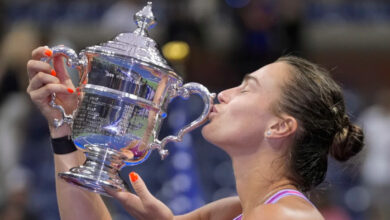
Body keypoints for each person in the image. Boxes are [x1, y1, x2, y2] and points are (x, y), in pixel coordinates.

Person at [26, 46, 364, 220]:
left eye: (247, 89)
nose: (223, 94)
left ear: (279, 126)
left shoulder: (284, 217)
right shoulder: (237, 209)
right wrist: (66, 126)